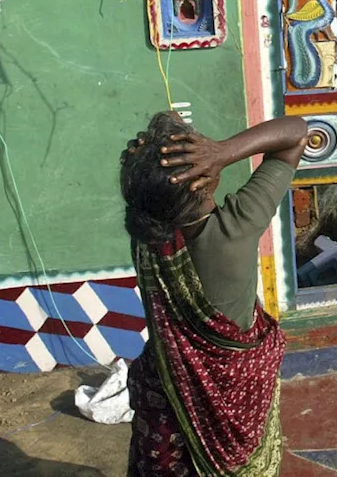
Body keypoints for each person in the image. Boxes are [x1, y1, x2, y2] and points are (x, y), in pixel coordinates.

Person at [119, 111, 307, 476]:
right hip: (231, 399)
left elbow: (152, 183)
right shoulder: (234, 229)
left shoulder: (147, 232)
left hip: (166, 388)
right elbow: (295, 134)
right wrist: (223, 151)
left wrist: (143, 169)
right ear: (201, 181)